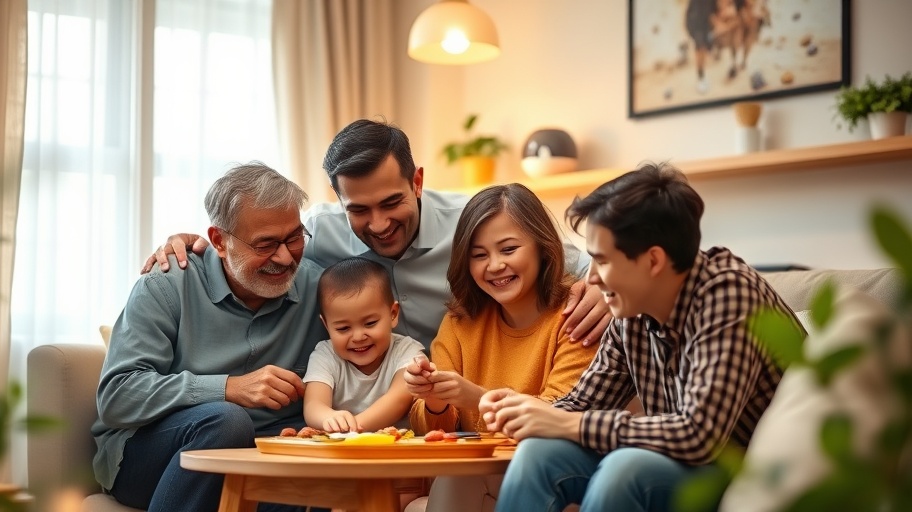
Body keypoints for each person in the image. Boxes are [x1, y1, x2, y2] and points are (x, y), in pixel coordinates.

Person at [479, 163, 794, 512]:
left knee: (625, 469)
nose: (593, 279)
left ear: (653, 260)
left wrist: (569, 422)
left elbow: (699, 436)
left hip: (751, 474)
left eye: (602, 261)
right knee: (539, 453)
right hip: (681, 463)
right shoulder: (632, 311)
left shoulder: (728, 295)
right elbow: (583, 404)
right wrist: (525, 410)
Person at [142, 119, 612, 349]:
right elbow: (247, 238)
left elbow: (581, 261)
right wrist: (187, 242)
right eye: (359, 211)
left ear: (418, 182)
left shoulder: (477, 223)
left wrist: (602, 288)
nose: (380, 224)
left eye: (392, 203)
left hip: (455, 400)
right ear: (338, 200)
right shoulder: (315, 234)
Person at [92, 163, 329, 512]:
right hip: (153, 452)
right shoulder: (166, 285)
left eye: (294, 237)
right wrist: (229, 388)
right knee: (227, 421)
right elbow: (117, 396)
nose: (284, 256)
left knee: (311, 477)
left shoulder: (319, 288)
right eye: (265, 244)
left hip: (262, 455)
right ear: (219, 241)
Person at [402, 184, 600, 512]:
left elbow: (560, 415)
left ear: (542, 247)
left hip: (550, 476)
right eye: (479, 255)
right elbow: (433, 436)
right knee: (440, 487)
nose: (494, 266)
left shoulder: (575, 315)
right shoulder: (460, 322)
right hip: (478, 478)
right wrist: (435, 402)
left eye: (508, 250)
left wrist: (475, 398)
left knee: (456, 479)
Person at [303, 257, 424, 432]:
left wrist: (352, 428)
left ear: (393, 314)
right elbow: (313, 405)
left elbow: (399, 400)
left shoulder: (407, 351)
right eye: (343, 328)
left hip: (396, 450)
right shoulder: (325, 355)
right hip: (343, 451)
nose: (358, 337)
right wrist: (328, 418)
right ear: (326, 325)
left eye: (370, 323)